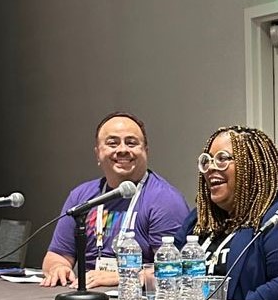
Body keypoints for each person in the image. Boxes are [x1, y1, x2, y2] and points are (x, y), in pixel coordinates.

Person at [175, 125, 278, 300]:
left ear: (253, 166)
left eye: (222, 159)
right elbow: (169, 266)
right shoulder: (200, 219)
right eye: (207, 161)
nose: (211, 168)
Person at [41, 112, 189, 288]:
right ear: (98, 154)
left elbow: (174, 271)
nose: (122, 150)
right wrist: (58, 268)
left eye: (131, 143)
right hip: (89, 297)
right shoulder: (81, 197)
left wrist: (122, 277)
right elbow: (56, 256)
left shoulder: (165, 200)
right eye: (112, 143)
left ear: (146, 152)